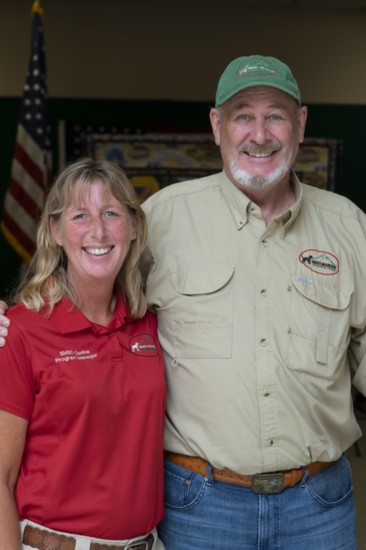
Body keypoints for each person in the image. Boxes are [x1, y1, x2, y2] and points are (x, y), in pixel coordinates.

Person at [1, 55, 366, 549]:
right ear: (217, 126)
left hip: (319, 505)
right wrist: (11, 322)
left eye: (276, 114)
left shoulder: (348, 226)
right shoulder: (164, 218)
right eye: (242, 115)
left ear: (300, 125)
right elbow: (90, 275)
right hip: (201, 506)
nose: (260, 133)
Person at [0, 158, 166, 549]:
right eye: (80, 216)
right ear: (56, 230)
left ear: (133, 226)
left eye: (111, 213)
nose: (98, 230)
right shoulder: (21, 331)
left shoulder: (150, 323)